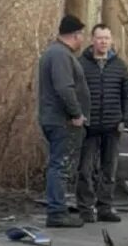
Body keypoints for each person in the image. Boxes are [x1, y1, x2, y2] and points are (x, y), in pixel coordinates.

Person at [37, 14, 90, 228]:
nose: (82, 41)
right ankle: (57, 211)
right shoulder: (60, 56)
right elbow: (64, 88)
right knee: (60, 165)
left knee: (57, 164)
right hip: (61, 120)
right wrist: (76, 114)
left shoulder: (54, 53)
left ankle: (58, 208)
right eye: (81, 36)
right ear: (75, 35)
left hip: (53, 117)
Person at [76, 24, 128, 223]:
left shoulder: (119, 65)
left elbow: (127, 95)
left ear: (111, 40)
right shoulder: (80, 64)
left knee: (109, 170)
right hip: (88, 126)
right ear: (92, 40)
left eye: (107, 38)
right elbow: (73, 92)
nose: (103, 42)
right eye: (100, 38)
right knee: (85, 169)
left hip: (112, 125)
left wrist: (125, 119)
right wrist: (77, 116)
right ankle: (85, 208)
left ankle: (105, 207)